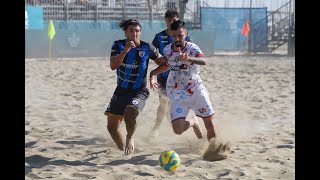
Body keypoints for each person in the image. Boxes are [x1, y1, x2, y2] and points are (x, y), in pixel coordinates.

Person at [149, 20, 229, 160]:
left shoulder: (192, 48)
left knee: (209, 122)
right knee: (178, 129)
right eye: (174, 36)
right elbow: (168, 65)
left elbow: (204, 61)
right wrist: (153, 73)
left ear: (185, 34)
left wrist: (188, 58)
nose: (177, 39)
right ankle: (193, 122)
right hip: (177, 90)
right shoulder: (168, 49)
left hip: (195, 88)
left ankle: (214, 150)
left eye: (180, 35)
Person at [104, 19, 164, 155]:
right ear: (126, 32)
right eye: (131, 31)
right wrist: (125, 51)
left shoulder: (147, 47)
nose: (134, 34)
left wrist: (154, 74)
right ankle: (122, 149)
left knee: (130, 113)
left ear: (140, 32)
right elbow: (113, 66)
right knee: (112, 127)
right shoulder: (118, 45)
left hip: (139, 91)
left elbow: (162, 62)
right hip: (120, 91)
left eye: (137, 31)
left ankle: (130, 138)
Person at [150, 9, 192, 138]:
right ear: (165, 21)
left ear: (177, 19)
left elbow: (189, 52)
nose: (170, 22)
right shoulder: (159, 36)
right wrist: (159, 61)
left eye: (173, 20)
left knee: (177, 103)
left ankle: (179, 127)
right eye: (168, 20)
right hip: (163, 75)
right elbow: (151, 51)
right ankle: (156, 128)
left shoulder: (184, 35)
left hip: (180, 76)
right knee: (163, 102)